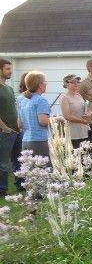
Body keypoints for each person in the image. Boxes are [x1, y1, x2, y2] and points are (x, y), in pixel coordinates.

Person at [18, 71, 51, 159]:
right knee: (42, 170)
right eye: (45, 82)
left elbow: (19, 124)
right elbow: (43, 122)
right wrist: (57, 119)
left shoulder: (23, 100)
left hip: (25, 141)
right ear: (40, 85)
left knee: (29, 171)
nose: (46, 84)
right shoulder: (41, 100)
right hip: (39, 141)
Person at [0, 59, 20, 199]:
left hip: (15, 130)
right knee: (3, 163)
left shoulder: (9, 88)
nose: (10, 71)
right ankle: (2, 190)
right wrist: (4, 127)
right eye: (7, 69)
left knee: (18, 160)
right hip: (4, 132)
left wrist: (18, 125)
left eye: (10, 68)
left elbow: (13, 109)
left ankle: (21, 186)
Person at [59, 74, 91, 149]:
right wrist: (82, 121)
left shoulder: (79, 96)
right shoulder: (64, 98)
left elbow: (86, 109)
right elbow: (67, 116)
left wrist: (89, 113)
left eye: (78, 82)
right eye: (73, 82)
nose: (76, 84)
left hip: (84, 131)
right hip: (73, 134)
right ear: (66, 84)